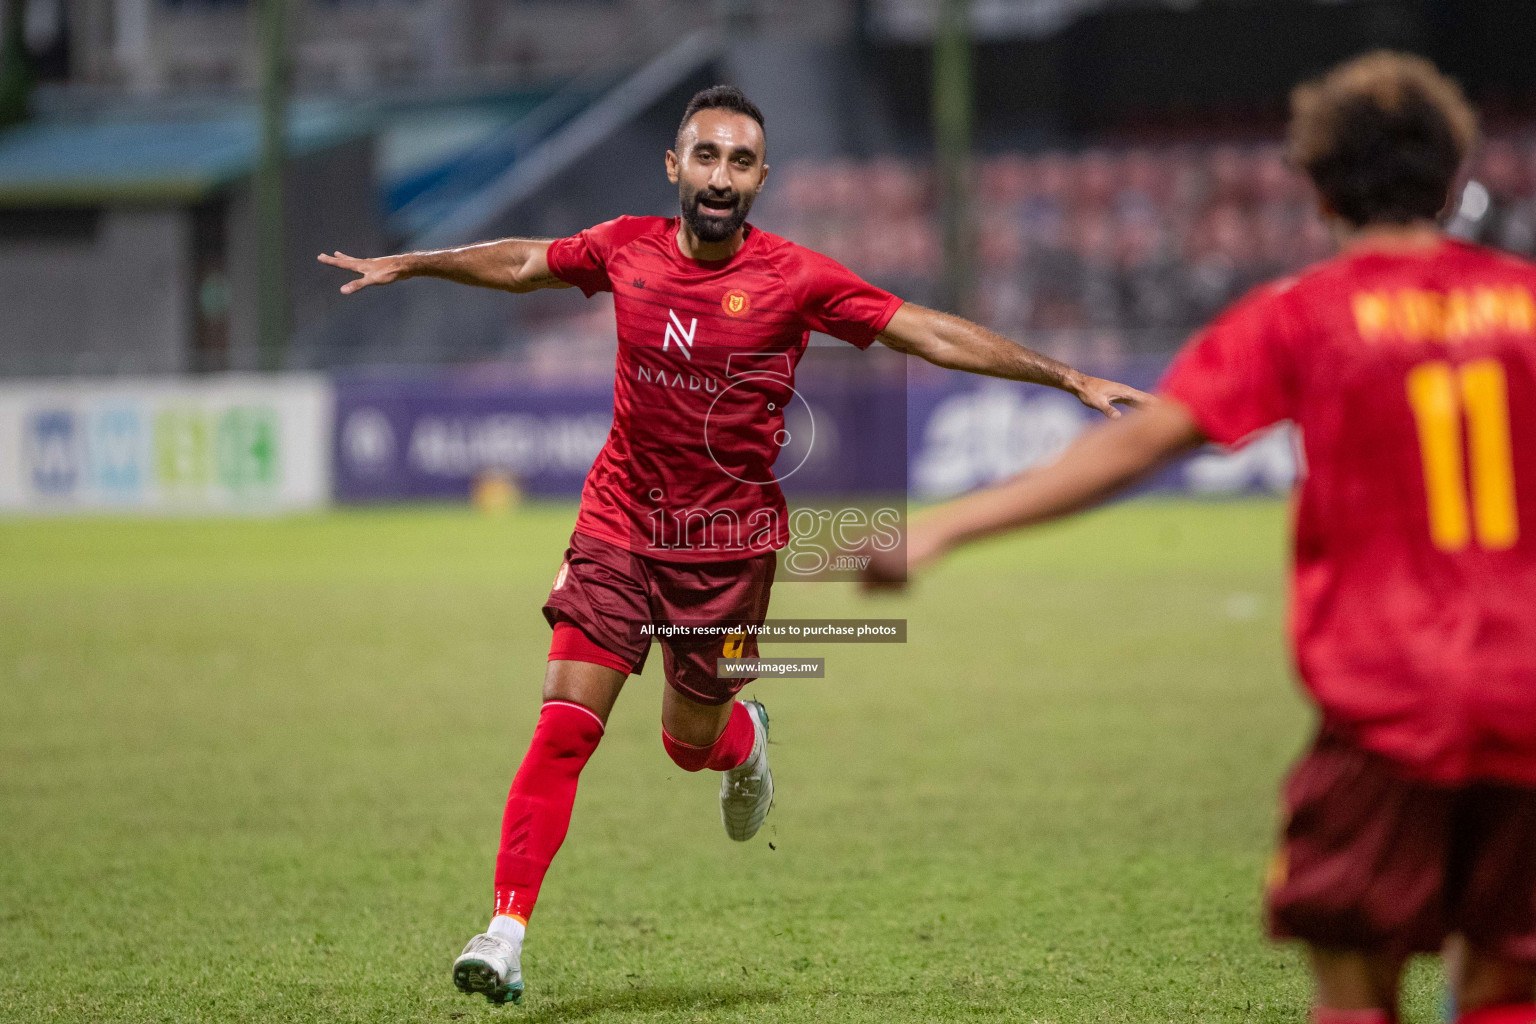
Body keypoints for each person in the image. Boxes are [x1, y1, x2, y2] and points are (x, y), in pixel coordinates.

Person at [321, 84, 1148, 1005]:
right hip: (619, 526)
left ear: (760, 179)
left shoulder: (795, 277)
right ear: (676, 167)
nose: (721, 176)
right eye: (706, 156)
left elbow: (926, 331)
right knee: (563, 723)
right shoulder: (625, 245)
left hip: (728, 554)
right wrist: (418, 262)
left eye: (741, 161)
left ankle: (744, 736)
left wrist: (1066, 375)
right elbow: (524, 264)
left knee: (688, 743)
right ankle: (505, 930)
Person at [865, 51, 1536, 1024]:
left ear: (1315, 186)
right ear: (1453, 176)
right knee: (1506, 986)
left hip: (1390, 708)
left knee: (1354, 983)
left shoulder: (1300, 315)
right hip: (1526, 698)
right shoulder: (1524, 304)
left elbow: (1140, 442)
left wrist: (945, 529)